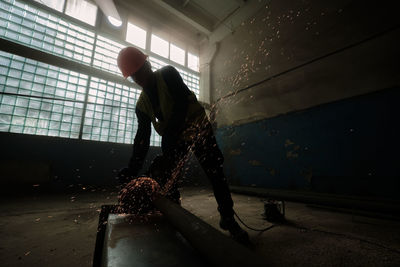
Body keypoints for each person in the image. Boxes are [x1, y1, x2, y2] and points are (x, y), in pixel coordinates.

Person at [116, 46, 248, 242]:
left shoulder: (167, 74)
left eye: (141, 72)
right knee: (168, 176)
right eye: (135, 77)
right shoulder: (142, 105)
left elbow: (180, 104)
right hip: (175, 137)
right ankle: (173, 212)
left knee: (215, 172)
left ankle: (228, 219)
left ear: (148, 65)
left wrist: (169, 136)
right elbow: (142, 138)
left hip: (198, 129)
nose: (140, 79)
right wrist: (132, 168)